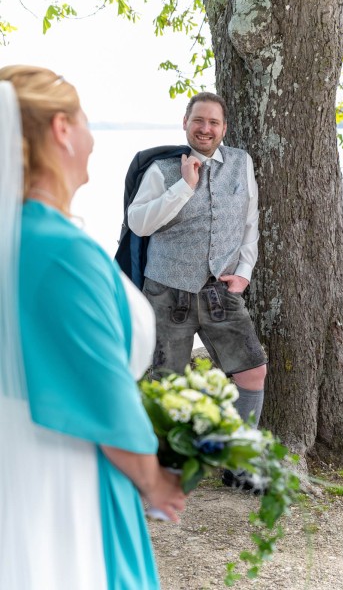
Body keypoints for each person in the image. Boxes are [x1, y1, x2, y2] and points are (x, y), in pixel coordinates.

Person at [0, 65, 186, 590]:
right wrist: (157, 480)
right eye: (83, 119)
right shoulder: (62, 252)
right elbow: (103, 396)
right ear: (61, 129)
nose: (90, 135)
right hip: (62, 480)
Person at [127, 92, 268, 489]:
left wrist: (243, 271)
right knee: (163, 383)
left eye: (214, 123)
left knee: (253, 370)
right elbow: (138, 223)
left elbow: (249, 223)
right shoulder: (163, 169)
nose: (205, 129)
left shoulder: (241, 164)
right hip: (167, 290)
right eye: (198, 121)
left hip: (220, 291)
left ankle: (238, 464)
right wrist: (184, 187)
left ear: (224, 128)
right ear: (185, 122)